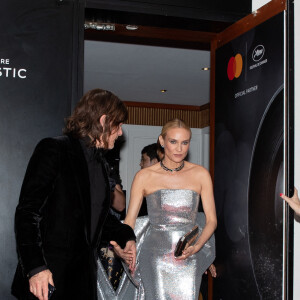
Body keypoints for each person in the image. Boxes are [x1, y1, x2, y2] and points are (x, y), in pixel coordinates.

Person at [11, 89, 136, 300]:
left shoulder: (102, 167)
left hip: (82, 282)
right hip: (47, 278)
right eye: (119, 125)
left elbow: (97, 223)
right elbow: (27, 212)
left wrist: (126, 237)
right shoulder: (54, 149)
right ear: (104, 120)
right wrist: (35, 268)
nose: (120, 133)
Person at [124, 118, 217, 299]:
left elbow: (212, 221)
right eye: (173, 142)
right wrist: (127, 248)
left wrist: (197, 247)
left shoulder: (201, 175)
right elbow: (129, 221)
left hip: (189, 255)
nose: (179, 148)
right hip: (155, 257)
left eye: (185, 142)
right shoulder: (144, 176)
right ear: (162, 141)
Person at [138, 143, 161, 216]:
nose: (140, 164)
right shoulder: (143, 184)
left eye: (143, 160)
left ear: (155, 162)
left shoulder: (167, 185)